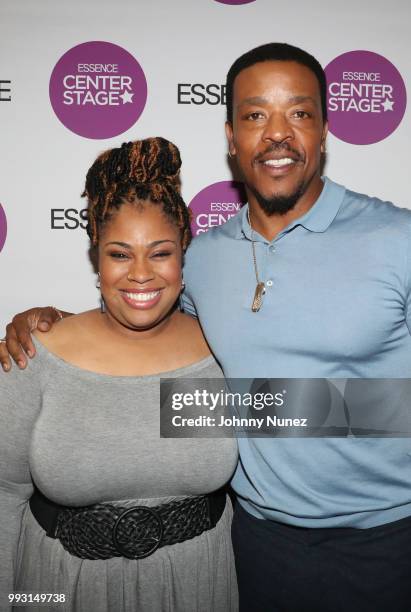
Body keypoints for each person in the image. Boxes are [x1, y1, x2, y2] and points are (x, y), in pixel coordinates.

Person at [2, 42, 411, 612]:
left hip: (389, 540)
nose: (276, 133)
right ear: (230, 136)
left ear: (325, 129)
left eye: (298, 112)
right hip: (253, 544)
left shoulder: (399, 239)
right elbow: (144, 330)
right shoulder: (204, 259)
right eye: (254, 115)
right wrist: (53, 332)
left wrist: (265, 407)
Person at [0, 137, 238, 612]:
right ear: (97, 254)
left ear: (184, 250)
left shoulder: (224, 351)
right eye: (120, 254)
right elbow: (4, 493)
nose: (141, 274)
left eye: (161, 252)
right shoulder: (36, 355)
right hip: (58, 588)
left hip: (196, 588)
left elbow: (320, 416)